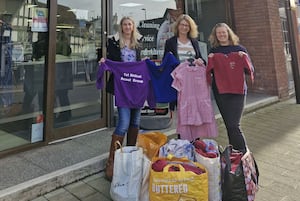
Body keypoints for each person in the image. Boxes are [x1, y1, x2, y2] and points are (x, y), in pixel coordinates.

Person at [99, 16, 143, 181]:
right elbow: (111, 60)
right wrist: (104, 61)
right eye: (124, 24)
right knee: (123, 123)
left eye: (129, 24)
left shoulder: (138, 42)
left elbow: (139, 62)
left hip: (136, 87)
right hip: (122, 87)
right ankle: (112, 161)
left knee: (135, 122)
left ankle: (129, 157)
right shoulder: (114, 42)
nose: (127, 27)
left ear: (133, 26)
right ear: (121, 27)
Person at [206, 22, 254, 155]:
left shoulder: (240, 48)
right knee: (229, 125)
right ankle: (235, 154)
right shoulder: (213, 52)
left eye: (223, 32)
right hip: (221, 92)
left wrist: (242, 58)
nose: (221, 35)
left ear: (228, 33)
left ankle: (244, 153)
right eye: (218, 33)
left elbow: (250, 70)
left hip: (238, 91)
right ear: (215, 36)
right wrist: (209, 60)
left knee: (234, 125)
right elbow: (209, 73)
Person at [163, 14, 206, 114]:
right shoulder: (170, 42)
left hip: (193, 80)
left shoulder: (194, 42)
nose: (184, 27)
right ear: (177, 26)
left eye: (187, 25)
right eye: (182, 25)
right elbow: (166, 61)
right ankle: (183, 129)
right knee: (181, 109)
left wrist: (201, 61)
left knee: (194, 107)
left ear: (190, 28)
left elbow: (201, 58)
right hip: (179, 81)